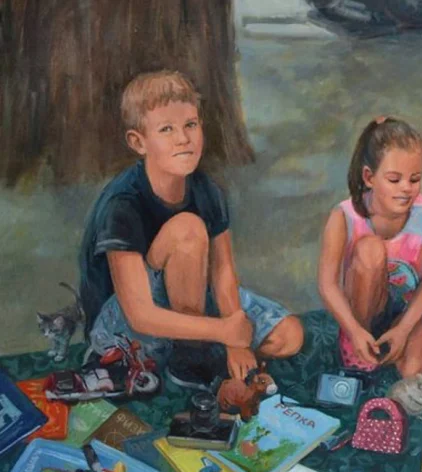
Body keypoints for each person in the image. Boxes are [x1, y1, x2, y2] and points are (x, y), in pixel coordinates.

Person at [80, 70, 304, 388]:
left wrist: (236, 341)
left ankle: (211, 354)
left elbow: (223, 272)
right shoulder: (123, 204)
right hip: (128, 326)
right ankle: (189, 359)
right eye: (167, 129)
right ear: (138, 142)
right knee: (187, 229)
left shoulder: (206, 189)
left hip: (194, 297)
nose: (183, 138)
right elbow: (139, 313)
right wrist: (223, 330)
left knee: (289, 335)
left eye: (190, 125)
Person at [318, 116, 422, 376]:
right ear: (369, 177)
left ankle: (395, 347)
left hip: (408, 314)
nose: (406, 188)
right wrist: (354, 329)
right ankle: (359, 344)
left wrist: (404, 328)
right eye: (394, 179)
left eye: (415, 179)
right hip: (363, 312)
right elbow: (327, 284)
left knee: (414, 371)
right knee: (370, 249)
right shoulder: (344, 216)